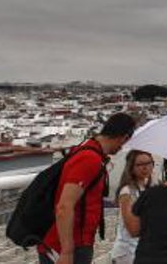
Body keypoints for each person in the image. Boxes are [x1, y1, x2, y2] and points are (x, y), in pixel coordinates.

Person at [39, 112, 137, 264]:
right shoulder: (90, 158)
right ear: (124, 137)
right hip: (67, 244)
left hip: (72, 241)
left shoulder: (87, 148)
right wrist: (67, 251)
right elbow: (64, 206)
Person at [111, 150, 155, 264]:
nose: (145, 168)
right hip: (127, 252)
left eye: (148, 163)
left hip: (142, 249)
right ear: (132, 167)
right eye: (140, 165)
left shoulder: (147, 189)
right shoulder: (127, 191)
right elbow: (132, 228)